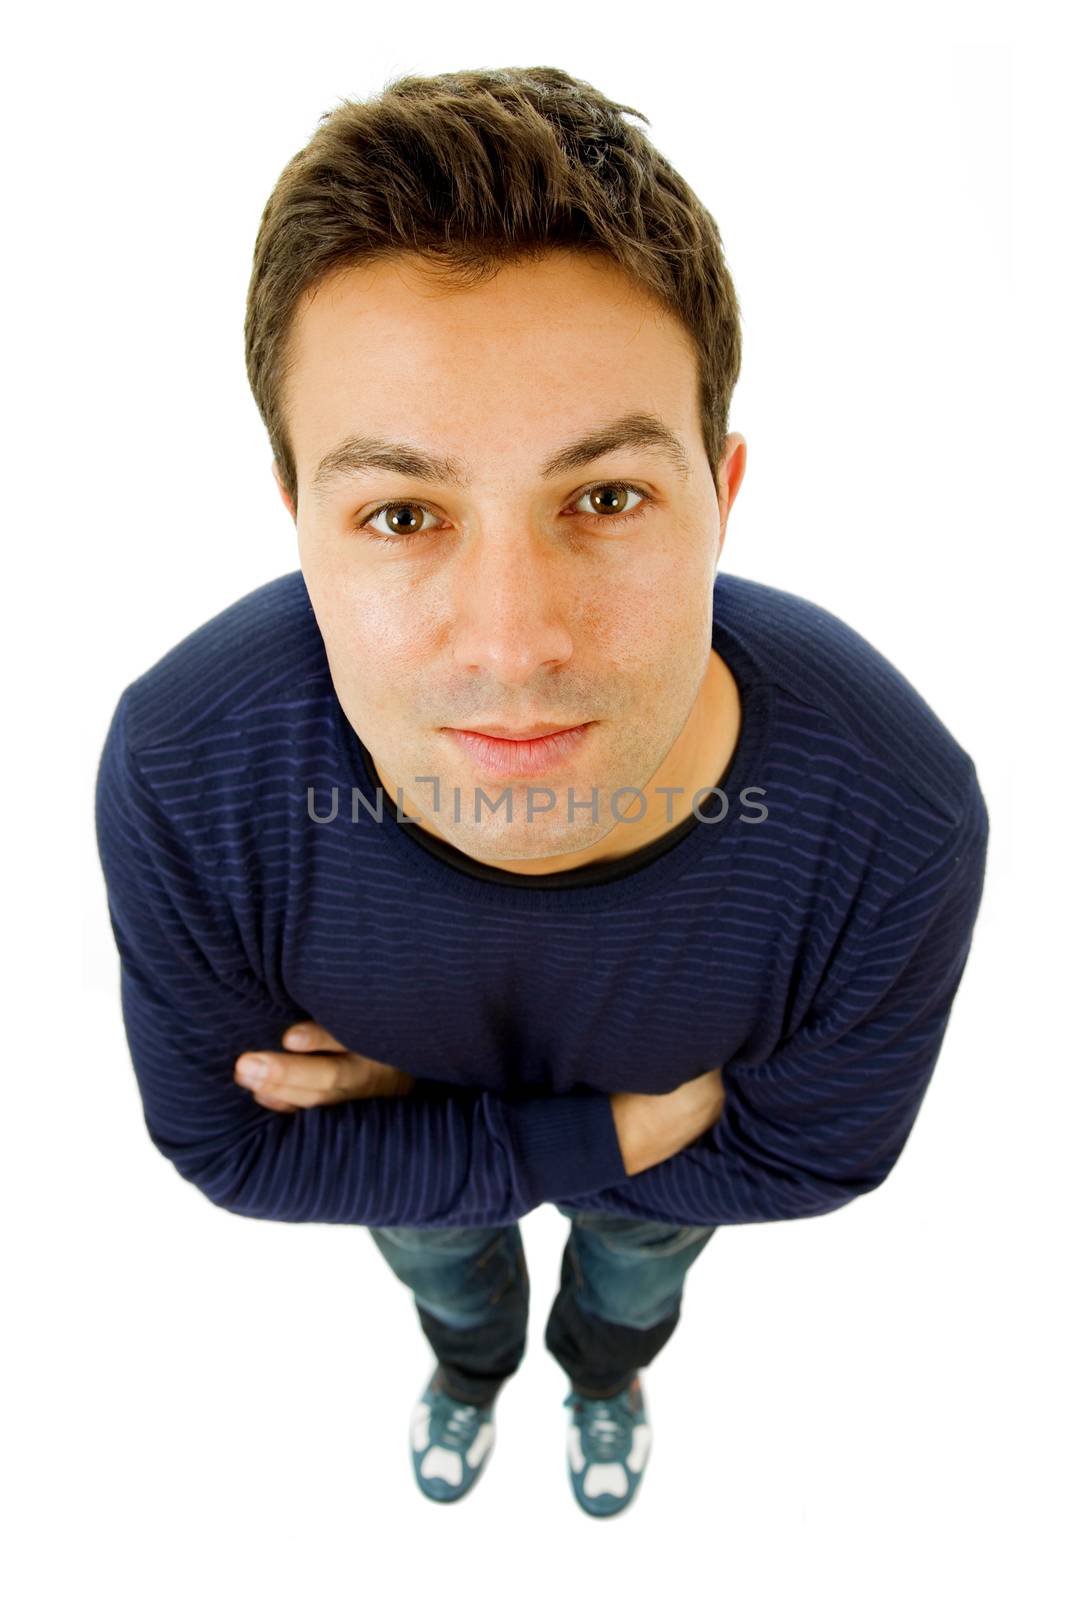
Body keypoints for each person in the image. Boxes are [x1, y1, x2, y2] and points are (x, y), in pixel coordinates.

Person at [94, 66, 989, 1519]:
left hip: (635, 1194)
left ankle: (602, 1372)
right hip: (582, 1163)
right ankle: (471, 1368)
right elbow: (229, 1145)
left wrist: (432, 1117)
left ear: (722, 493)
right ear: (299, 530)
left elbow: (818, 1159)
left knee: (633, 1272)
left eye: (608, 497)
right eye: (400, 515)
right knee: (448, 1268)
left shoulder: (893, 813)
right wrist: (601, 1134)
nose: (514, 645)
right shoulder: (186, 770)